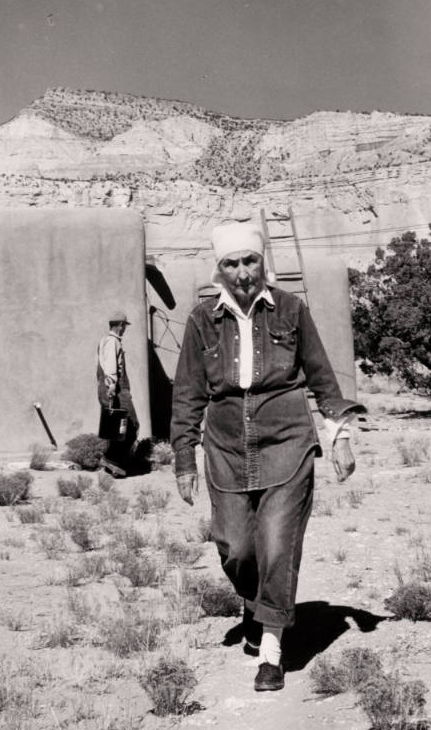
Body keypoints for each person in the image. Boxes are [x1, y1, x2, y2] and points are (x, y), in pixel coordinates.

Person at [170, 222, 365, 692]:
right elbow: (188, 392)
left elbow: (321, 374)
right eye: (232, 263)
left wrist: (340, 436)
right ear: (220, 269)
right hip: (226, 443)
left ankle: (272, 650)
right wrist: (182, 456)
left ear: (263, 262)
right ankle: (256, 604)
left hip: (287, 438)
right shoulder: (202, 320)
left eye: (250, 261)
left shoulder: (292, 310)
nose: (242, 272)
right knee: (236, 546)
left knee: (278, 544)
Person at [97, 310, 139, 477]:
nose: (125, 329)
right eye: (124, 326)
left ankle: (113, 462)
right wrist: (112, 388)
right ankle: (111, 459)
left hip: (112, 388)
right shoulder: (112, 342)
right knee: (132, 424)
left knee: (116, 428)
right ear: (121, 326)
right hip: (116, 390)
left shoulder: (105, 341)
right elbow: (111, 368)